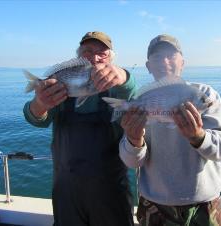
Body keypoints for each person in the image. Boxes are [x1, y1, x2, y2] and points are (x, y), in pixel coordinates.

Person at [23, 31, 136, 226]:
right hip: (66, 188)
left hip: (110, 188)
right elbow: (36, 119)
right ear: (78, 56)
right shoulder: (61, 87)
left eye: (103, 53)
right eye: (88, 51)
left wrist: (125, 76)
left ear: (112, 59)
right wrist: (39, 103)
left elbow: (131, 93)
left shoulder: (118, 86)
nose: (94, 57)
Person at [119, 34, 221, 226]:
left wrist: (199, 136)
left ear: (183, 62)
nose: (164, 61)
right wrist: (134, 139)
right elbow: (131, 162)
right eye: (157, 57)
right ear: (148, 66)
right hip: (155, 208)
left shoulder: (205, 95)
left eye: (171, 55)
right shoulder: (142, 103)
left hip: (205, 207)